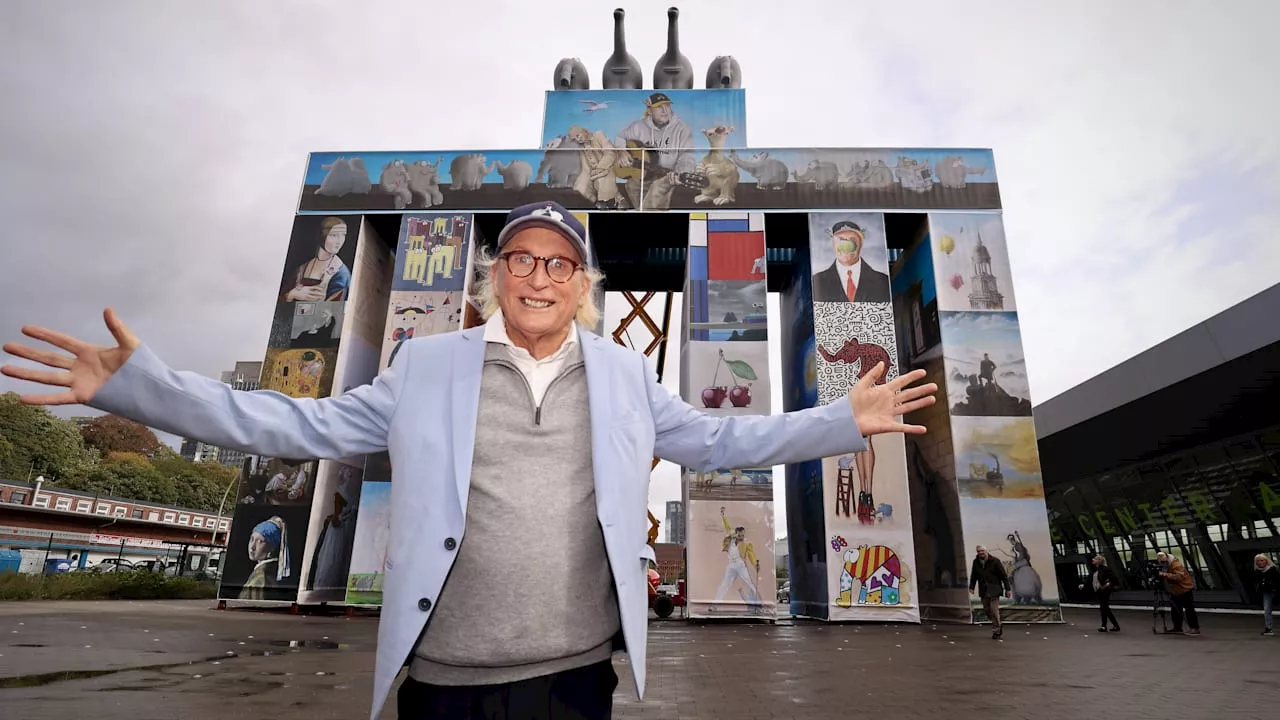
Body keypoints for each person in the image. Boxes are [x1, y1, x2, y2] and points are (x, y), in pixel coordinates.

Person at [1, 199, 937, 720]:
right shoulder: (426, 366)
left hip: (574, 681)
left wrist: (838, 417)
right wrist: (143, 390)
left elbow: (723, 439)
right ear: (497, 275)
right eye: (521, 259)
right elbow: (296, 424)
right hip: (443, 684)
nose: (539, 276)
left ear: (582, 287)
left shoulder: (621, 377)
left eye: (559, 264)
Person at [810, 220, 892, 303]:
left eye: (852, 240)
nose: (846, 246)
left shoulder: (883, 281)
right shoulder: (816, 282)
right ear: (833, 244)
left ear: (861, 243)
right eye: (841, 239)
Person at [969, 545, 1011, 639]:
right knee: (987, 610)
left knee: (993, 610)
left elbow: (1003, 576)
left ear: (986, 551)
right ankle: (998, 624)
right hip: (983, 590)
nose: (981, 553)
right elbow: (974, 575)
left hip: (994, 589)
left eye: (982, 551)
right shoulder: (976, 562)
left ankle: (996, 630)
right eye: (979, 551)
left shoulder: (995, 561)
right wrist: (972, 587)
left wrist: (1008, 589)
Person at [1156, 551, 1200, 635]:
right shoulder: (1165, 564)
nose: (1162, 563)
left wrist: (1164, 574)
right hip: (1175, 590)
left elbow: (1178, 577)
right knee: (1175, 609)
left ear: (1167, 558)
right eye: (1161, 561)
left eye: (1164, 561)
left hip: (1185, 589)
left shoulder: (1176, 564)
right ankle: (1177, 627)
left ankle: (1194, 628)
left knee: (1189, 609)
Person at [1087, 554, 1121, 632]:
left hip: (1104, 591)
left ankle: (1105, 626)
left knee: (1104, 607)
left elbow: (1114, 579)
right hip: (1099, 591)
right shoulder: (1096, 569)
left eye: (1095, 559)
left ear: (1099, 561)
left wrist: (1107, 585)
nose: (1093, 560)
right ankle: (1113, 625)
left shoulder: (1105, 569)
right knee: (1105, 608)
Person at [1255, 554, 1278, 636]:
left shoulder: (1273, 569)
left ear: (1266, 560)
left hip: (1275, 591)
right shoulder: (1257, 571)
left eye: (1262, 560)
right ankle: (1268, 628)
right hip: (1266, 592)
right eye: (1258, 561)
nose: (1260, 562)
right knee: (1267, 610)